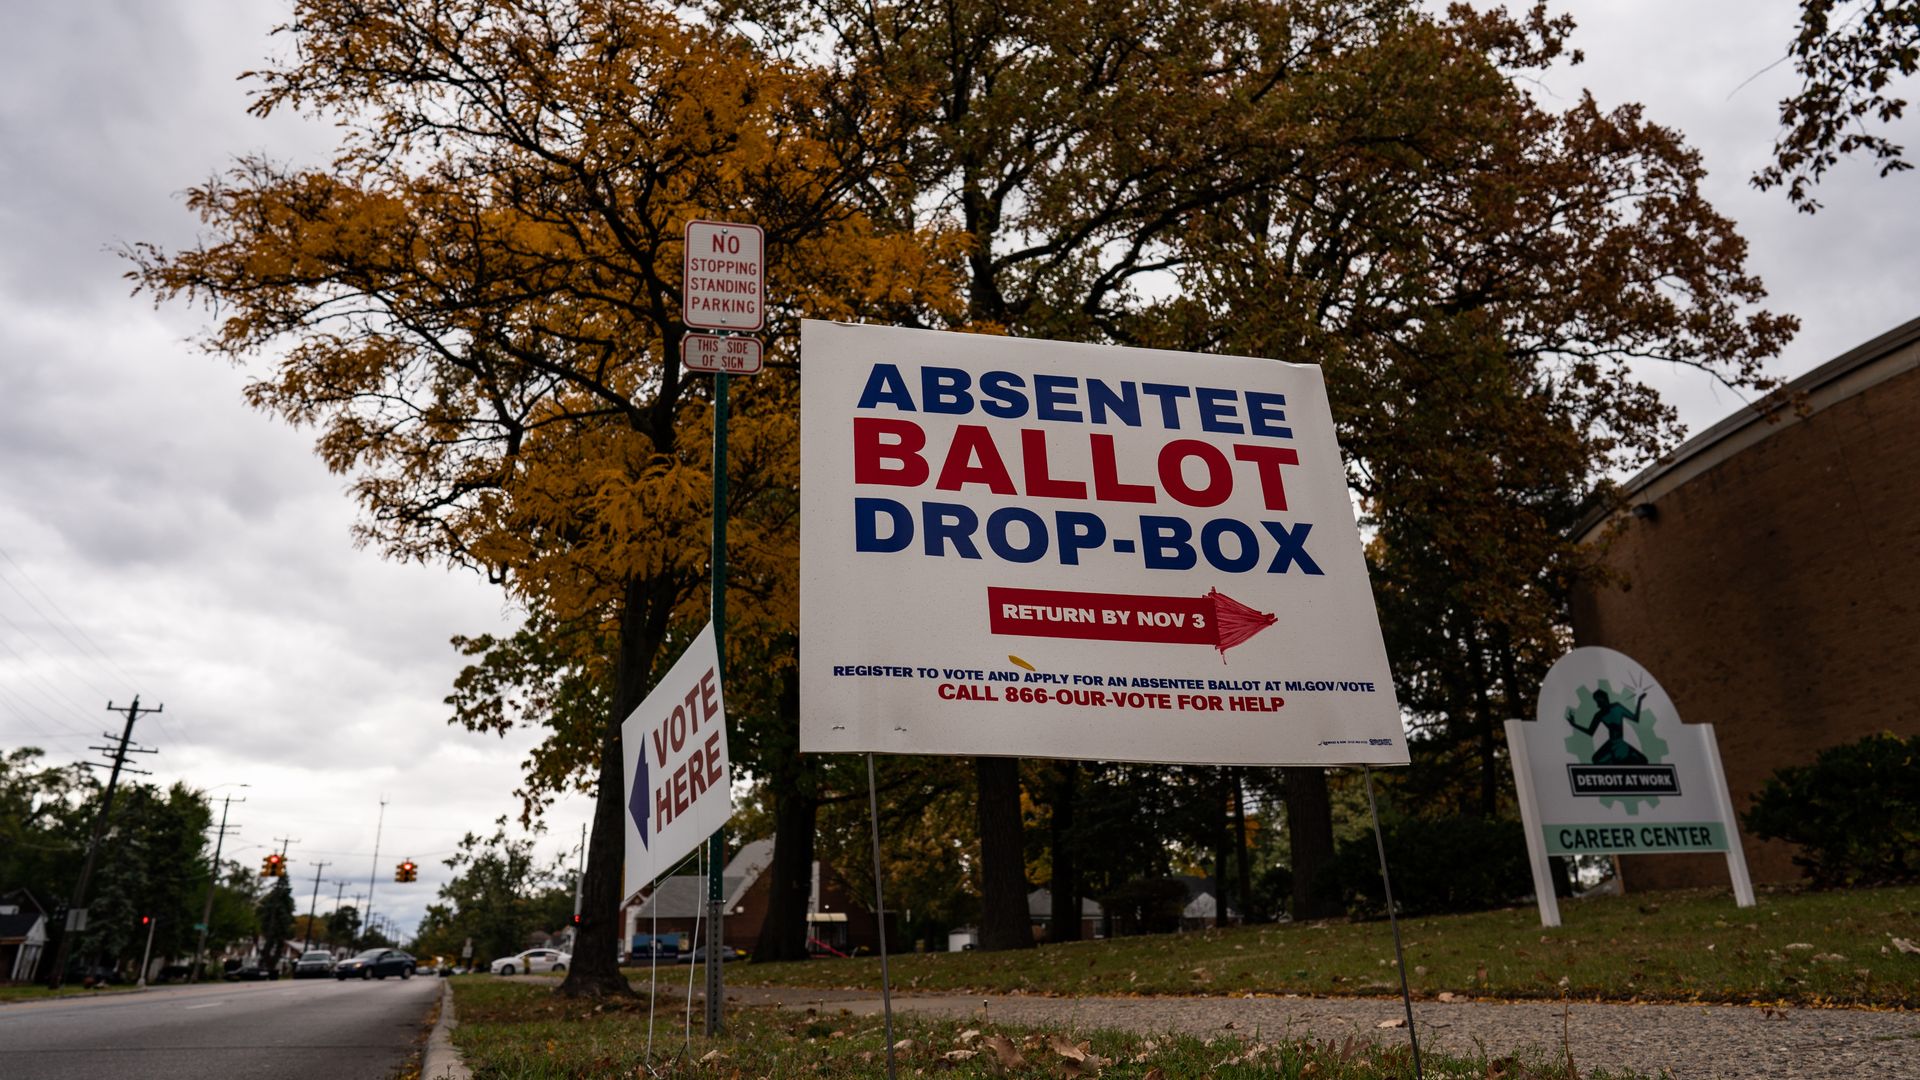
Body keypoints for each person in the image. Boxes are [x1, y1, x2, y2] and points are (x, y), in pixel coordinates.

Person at [1565, 689, 1649, 765]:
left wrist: (1639, 701)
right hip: (1611, 744)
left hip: (1621, 743)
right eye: (1596, 701)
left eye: (1598, 701)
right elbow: (1590, 732)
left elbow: (1635, 718)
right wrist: (1574, 725)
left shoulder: (1617, 707)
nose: (1597, 704)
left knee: (1642, 760)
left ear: (1604, 699)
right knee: (1596, 760)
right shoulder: (1599, 715)